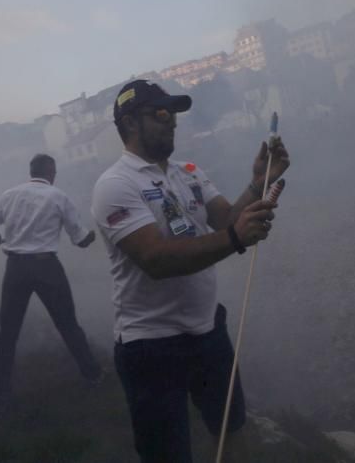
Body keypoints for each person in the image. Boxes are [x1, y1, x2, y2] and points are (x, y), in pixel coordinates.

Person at [91, 79, 290, 463]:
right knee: (168, 455)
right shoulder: (114, 185)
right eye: (161, 113)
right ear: (130, 123)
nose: (173, 122)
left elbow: (225, 220)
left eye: (175, 113)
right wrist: (235, 237)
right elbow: (156, 260)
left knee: (232, 431)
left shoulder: (190, 173)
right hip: (150, 346)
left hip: (207, 332)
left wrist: (258, 181)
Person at [0, 153, 103, 406]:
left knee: (8, 331)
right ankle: (93, 375)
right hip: (46, 267)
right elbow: (80, 239)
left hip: (16, 268)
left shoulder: (10, 195)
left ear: (31, 172)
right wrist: (93, 236)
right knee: (67, 324)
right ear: (51, 173)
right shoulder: (58, 196)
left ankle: (2, 390)